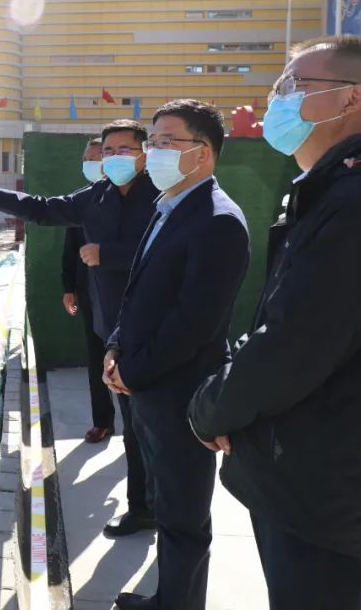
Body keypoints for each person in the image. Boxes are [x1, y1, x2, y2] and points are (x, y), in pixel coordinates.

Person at [188, 36, 361, 610]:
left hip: (330, 498)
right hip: (325, 482)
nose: (278, 98)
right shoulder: (339, 191)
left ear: (352, 98)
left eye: (295, 85)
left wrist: (212, 409)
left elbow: (294, 344)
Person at [0, 120, 157, 534]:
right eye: (109, 150)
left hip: (150, 324)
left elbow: (166, 251)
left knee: (149, 425)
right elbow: (45, 209)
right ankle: (144, 505)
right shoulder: (97, 195)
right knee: (133, 421)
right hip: (112, 325)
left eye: (125, 150)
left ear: (144, 153)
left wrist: (108, 254)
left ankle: (156, 505)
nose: (114, 158)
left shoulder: (161, 197)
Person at [103, 99, 250, 610]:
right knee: (167, 508)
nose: (155, 151)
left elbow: (194, 324)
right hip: (146, 385)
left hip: (179, 394)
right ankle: (168, 598)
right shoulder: (168, 206)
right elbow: (137, 293)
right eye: (154, 141)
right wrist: (115, 347)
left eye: (168, 141)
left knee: (184, 518)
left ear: (202, 153)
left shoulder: (218, 221)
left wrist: (132, 371)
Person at [62, 223, 116, 443]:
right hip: (90, 294)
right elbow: (70, 249)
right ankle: (102, 422)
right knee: (96, 357)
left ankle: (137, 430)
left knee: (130, 357)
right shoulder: (82, 208)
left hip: (124, 291)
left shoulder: (135, 207)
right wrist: (68, 288)